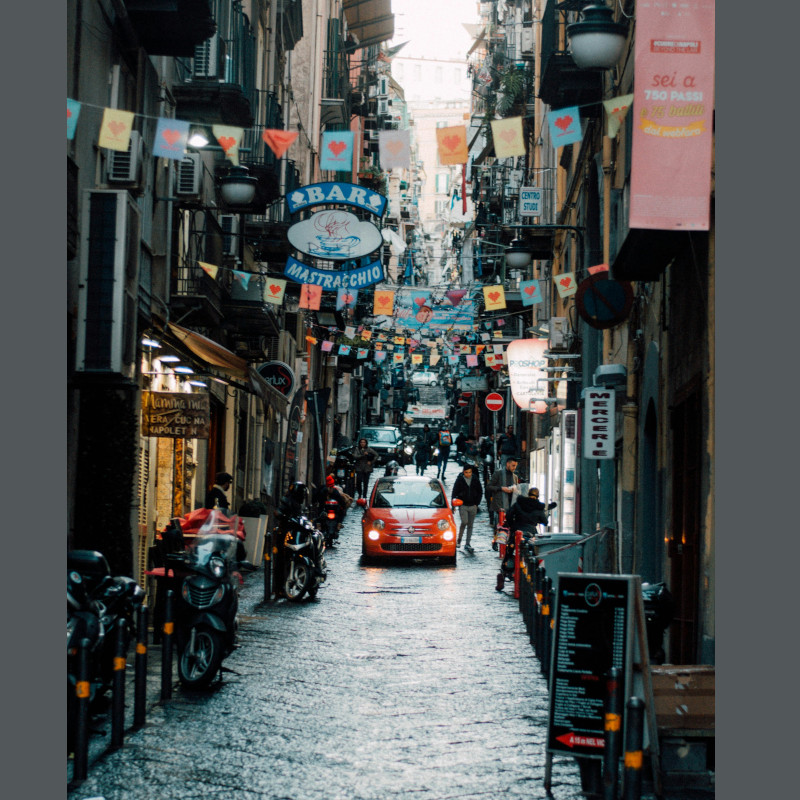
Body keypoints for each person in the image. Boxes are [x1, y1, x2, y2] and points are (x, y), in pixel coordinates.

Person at [487, 456, 520, 550]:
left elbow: (517, 489)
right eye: (513, 465)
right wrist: (501, 488)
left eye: (515, 466)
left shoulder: (515, 477)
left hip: (510, 505)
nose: (514, 468)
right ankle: (496, 542)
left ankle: (506, 542)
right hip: (499, 504)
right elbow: (489, 487)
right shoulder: (498, 474)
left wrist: (516, 490)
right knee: (498, 524)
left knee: (508, 525)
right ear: (507, 464)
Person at [451, 464, 483, 554]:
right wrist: (453, 506)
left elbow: (480, 491)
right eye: (466, 472)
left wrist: (477, 503)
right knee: (464, 522)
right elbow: (454, 492)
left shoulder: (475, 479)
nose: (468, 474)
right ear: (463, 472)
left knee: (470, 524)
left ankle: (467, 543)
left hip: (473, 505)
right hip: (463, 505)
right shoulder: (460, 480)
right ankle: (459, 539)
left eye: (469, 472)